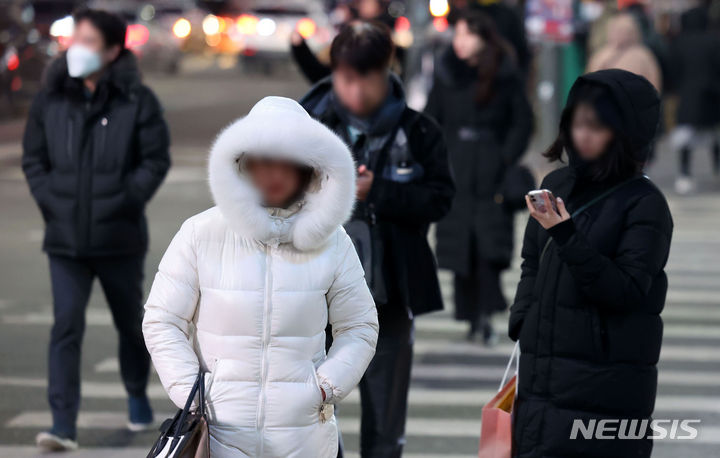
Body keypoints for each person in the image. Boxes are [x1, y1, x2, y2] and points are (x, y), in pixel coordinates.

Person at [143, 96, 379, 457]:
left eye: (288, 163)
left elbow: (360, 326)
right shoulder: (201, 232)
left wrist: (324, 387)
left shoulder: (332, 241)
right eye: (263, 161)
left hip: (304, 436)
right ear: (242, 164)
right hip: (221, 431)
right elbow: (162, 320)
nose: (274, 174)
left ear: (309, 169)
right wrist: (194, 391)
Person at [301, 21, 455, 458]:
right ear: (335, 73)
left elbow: (441, 199)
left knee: (386, 425)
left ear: (386, 71)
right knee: (308, 412)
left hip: (388, 295)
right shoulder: (308, 127)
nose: (356, 90)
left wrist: (379, 193)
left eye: (366, 77)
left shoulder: (420, 131)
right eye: (347, 77)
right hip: (315, 295)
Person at [22, 8, 170, 451]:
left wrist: (125, 200)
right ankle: (62, 423)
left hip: (118, 237)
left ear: (111, 51)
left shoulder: (136, 100)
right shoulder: (51, 98)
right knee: (65, 325)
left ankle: (135, 391)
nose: (76, 48)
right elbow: (34, 159)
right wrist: (51, 200)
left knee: (130, 324)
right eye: (75, 39)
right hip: (65, 240)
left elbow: (154, 160)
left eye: (88, 41)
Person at [509, 69, 673, 458]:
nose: (582, 134)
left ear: (626, 133)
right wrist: (523, 318)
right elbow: (532, 260)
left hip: (604, 384)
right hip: (541, 378)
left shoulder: (644, 203)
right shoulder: (558, 183)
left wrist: (567, 236)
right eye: (577, 123)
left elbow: (628, 290)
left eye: (596, 126)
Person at [425, 10, 532, 344]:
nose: (459, 42)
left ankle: (486, 313)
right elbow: (432, 117)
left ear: (484, 39)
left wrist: (504, 155)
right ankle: (471, 315)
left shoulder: (504, 73)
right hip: (456, 166)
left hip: (490, 169)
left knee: (489, 246)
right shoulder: (446, 73)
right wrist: (437, 155)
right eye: (456, 35)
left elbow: (522, 121)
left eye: (466, 35)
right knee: (461, 249)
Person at [670, 6, 720, 194]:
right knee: (715, 136)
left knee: (686, 139)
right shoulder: (714, 41)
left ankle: (684, 174)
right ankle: (717, 170)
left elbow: (673, 70)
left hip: (688, 96)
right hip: (713, 95)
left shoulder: (679, 42)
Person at [587, 13, 662, 91]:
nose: (620, 34)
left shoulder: (643, 55)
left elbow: (654, 80)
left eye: (623, 30)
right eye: (617, 30)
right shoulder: (602, 54)